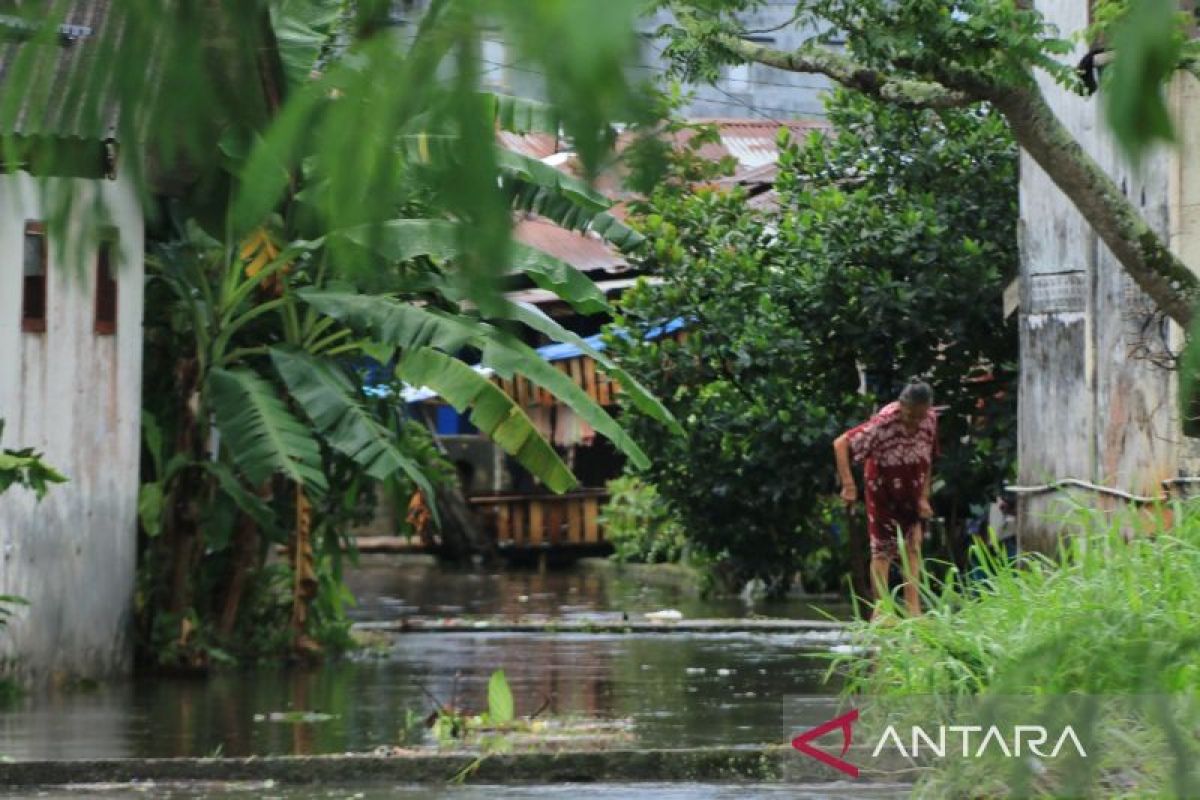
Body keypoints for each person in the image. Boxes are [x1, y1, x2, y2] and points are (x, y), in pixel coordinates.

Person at [833, 380, 939, 618]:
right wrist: (849, 486)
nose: (914, 422)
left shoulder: (930, 420)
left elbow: (928, 457)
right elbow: (841, 444)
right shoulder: (883, 423)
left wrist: (924, 496)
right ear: (902, 406)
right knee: (883, 550)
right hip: (883, 488)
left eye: (919, 416)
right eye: (910, 415)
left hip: (911, 485)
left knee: (913, 546)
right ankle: (882, 612)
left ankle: (914, 611)